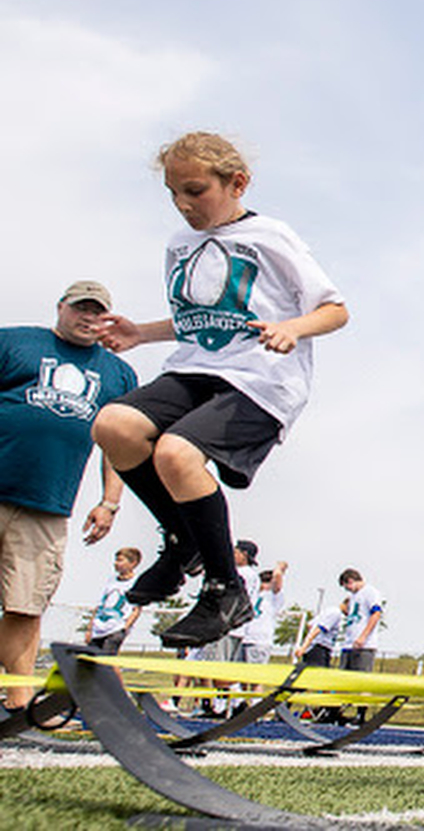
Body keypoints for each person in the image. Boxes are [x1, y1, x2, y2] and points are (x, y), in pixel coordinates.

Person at [92, 132, 348, 649]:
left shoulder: (271, 236)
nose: (183, 205)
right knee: (113, 425)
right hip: (196, 368)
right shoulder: (179, 245)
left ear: (237, 183)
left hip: (260, 380)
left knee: (176, 454)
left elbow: (336, 309)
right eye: (173, 194)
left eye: (194, 191)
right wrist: (141, 332)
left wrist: (294, 328)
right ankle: (183, 540)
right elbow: (202, 320)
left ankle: (224, 590)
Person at [0, 280, 137, 709]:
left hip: (47, 505)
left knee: (26, 606)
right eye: (81, 308)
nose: (89, 318)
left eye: (98, 312)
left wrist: (109, 502)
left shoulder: (117, 374)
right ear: (61, 307)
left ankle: (18, 704)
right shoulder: (15, 342)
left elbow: (117, 446)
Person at [85, 547, 143, 654]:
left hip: (116, 627)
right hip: (99, 627)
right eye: (116, 560)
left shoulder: (136, 582)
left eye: (120, 560)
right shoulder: (111, 580)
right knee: (91, 659)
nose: (116, 563)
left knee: (106, 661)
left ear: (133, 563)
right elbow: (100, 605)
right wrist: (90, 628)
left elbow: (136, 609)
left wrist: (125, 627)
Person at [242, 559, 287, 667]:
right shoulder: (253, 594)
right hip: (245, 638)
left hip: (260, 641)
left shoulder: (274, 597)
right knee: (241, 677)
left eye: (267, 582)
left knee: (255, 679)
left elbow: (277, 580)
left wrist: (279, 568)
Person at [338, 568, 383, 672]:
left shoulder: (370, 592)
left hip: (364, 647)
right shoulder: (353, 596)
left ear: (350, 581)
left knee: (358, 682)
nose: (347, 590)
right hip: (348, 645)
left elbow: (376, 614)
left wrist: (363, 637)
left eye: (346, 587)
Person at [295, 597, 348, 668]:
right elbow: (317, 629)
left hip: (317, 647)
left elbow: (310, 625)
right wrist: (304, 647)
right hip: (319, 648)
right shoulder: (336, 614)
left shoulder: (329, 610)